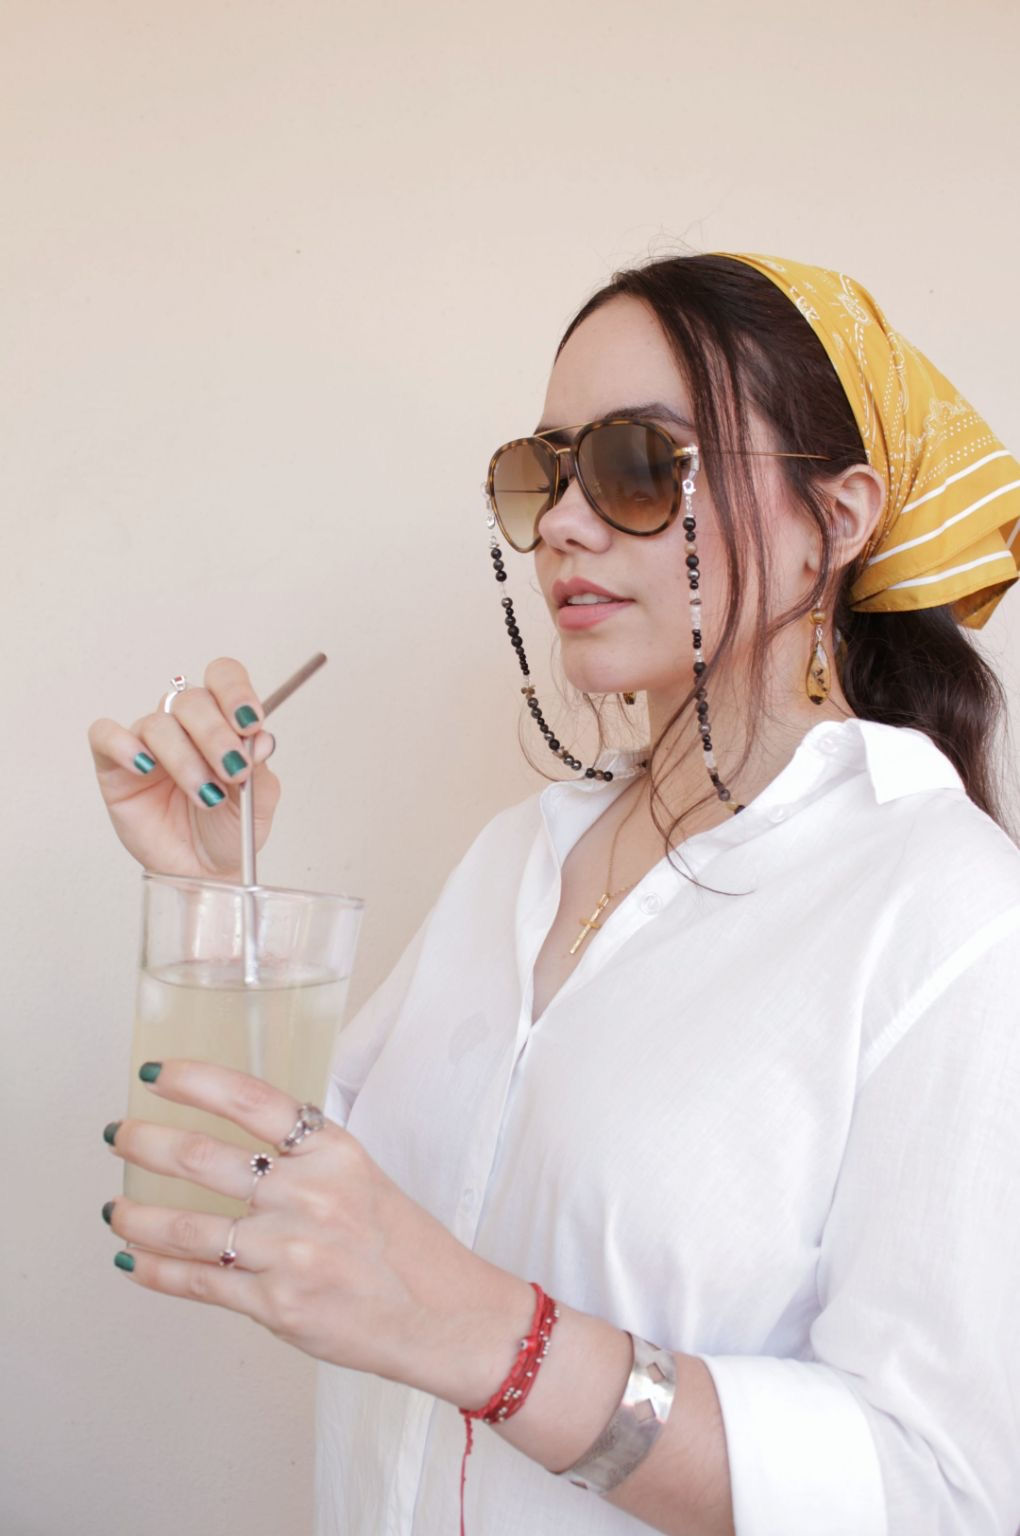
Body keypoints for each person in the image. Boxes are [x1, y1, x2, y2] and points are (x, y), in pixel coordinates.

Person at [89, 251, 1020, 1536]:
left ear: (839, 518)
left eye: (639, 464)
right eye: (543, 473)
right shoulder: (514, 860)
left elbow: (946, 1491)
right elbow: (271, 1208)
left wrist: (485, 1335)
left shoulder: (949, 915)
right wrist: (211, 888)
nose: (567, 524)